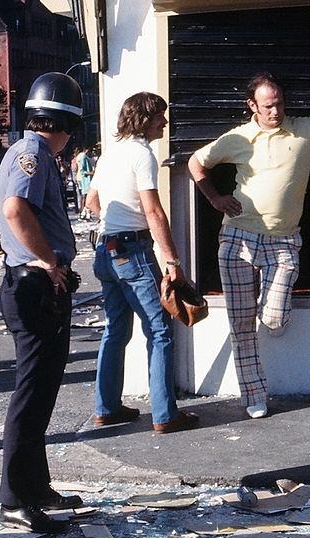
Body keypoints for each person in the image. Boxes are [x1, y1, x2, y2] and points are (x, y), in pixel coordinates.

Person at [188, 72, 310, 419]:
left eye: (280, 103)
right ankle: (254, 396)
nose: (276, 111)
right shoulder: (238, 138)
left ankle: (272, 317)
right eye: (268, 105)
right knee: (240, 324)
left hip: (283, 240)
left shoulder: (306, 130)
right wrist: (215, 199)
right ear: (252, 105)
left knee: (273, 317)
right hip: (237, 236)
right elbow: (196, 162)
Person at [0, 72, 86, 533]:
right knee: (31, 394)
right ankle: (13, 498)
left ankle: (37, 487)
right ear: (66, 124)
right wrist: (48, 261)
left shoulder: (19, 151)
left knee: (43, 388)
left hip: (29, 279)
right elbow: (13, 209)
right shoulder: (34, 156)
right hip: (34, 283)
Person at [85, 92, 200, 435]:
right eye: (160, 117)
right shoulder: (142, 155)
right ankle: (165, 414)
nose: (164, 123)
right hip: (133, 251)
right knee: (161, 330)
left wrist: (116, 221)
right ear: (145, 119)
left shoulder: (110, 153)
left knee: (115, 330)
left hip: (105, 251)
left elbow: (92, 202)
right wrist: (172, 261)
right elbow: (153, 211)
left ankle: (106, 407)